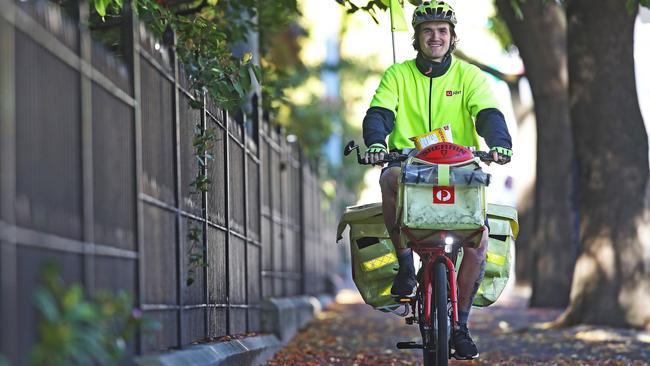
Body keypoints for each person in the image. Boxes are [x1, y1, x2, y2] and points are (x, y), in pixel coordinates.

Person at [361, 1, 513, 360]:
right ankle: (404, 266)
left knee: (479, 241)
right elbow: (379, 114)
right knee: (389, 179)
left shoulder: (469, 76)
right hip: (410, 168)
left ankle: (460, 327)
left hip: (459, 171)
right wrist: (378, 144)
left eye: (442, 31)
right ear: (416, 37)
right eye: (427, 31)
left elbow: (489, 114)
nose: (435, 37)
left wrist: (500, 145)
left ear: (452, 37)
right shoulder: (398, 75)